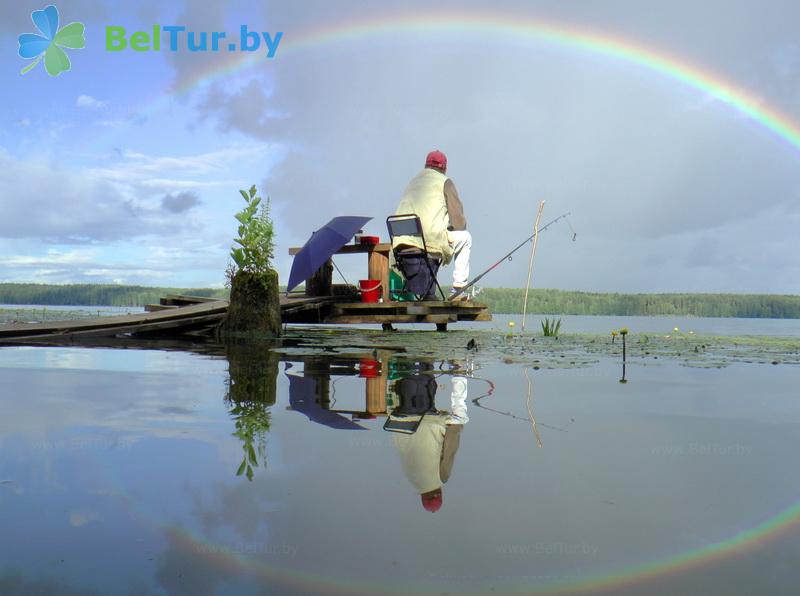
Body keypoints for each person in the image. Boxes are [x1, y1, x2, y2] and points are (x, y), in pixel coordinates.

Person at [394, 150, 472, 300]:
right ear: (444, 168)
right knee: (465, 237)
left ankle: (429, 294)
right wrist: (450, 227)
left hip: (401, 243)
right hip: (427, 242)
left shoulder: (413, 181)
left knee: (439, 237)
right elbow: (459, 223)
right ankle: (458, 289)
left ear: (426, 165)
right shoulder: (445, 182)